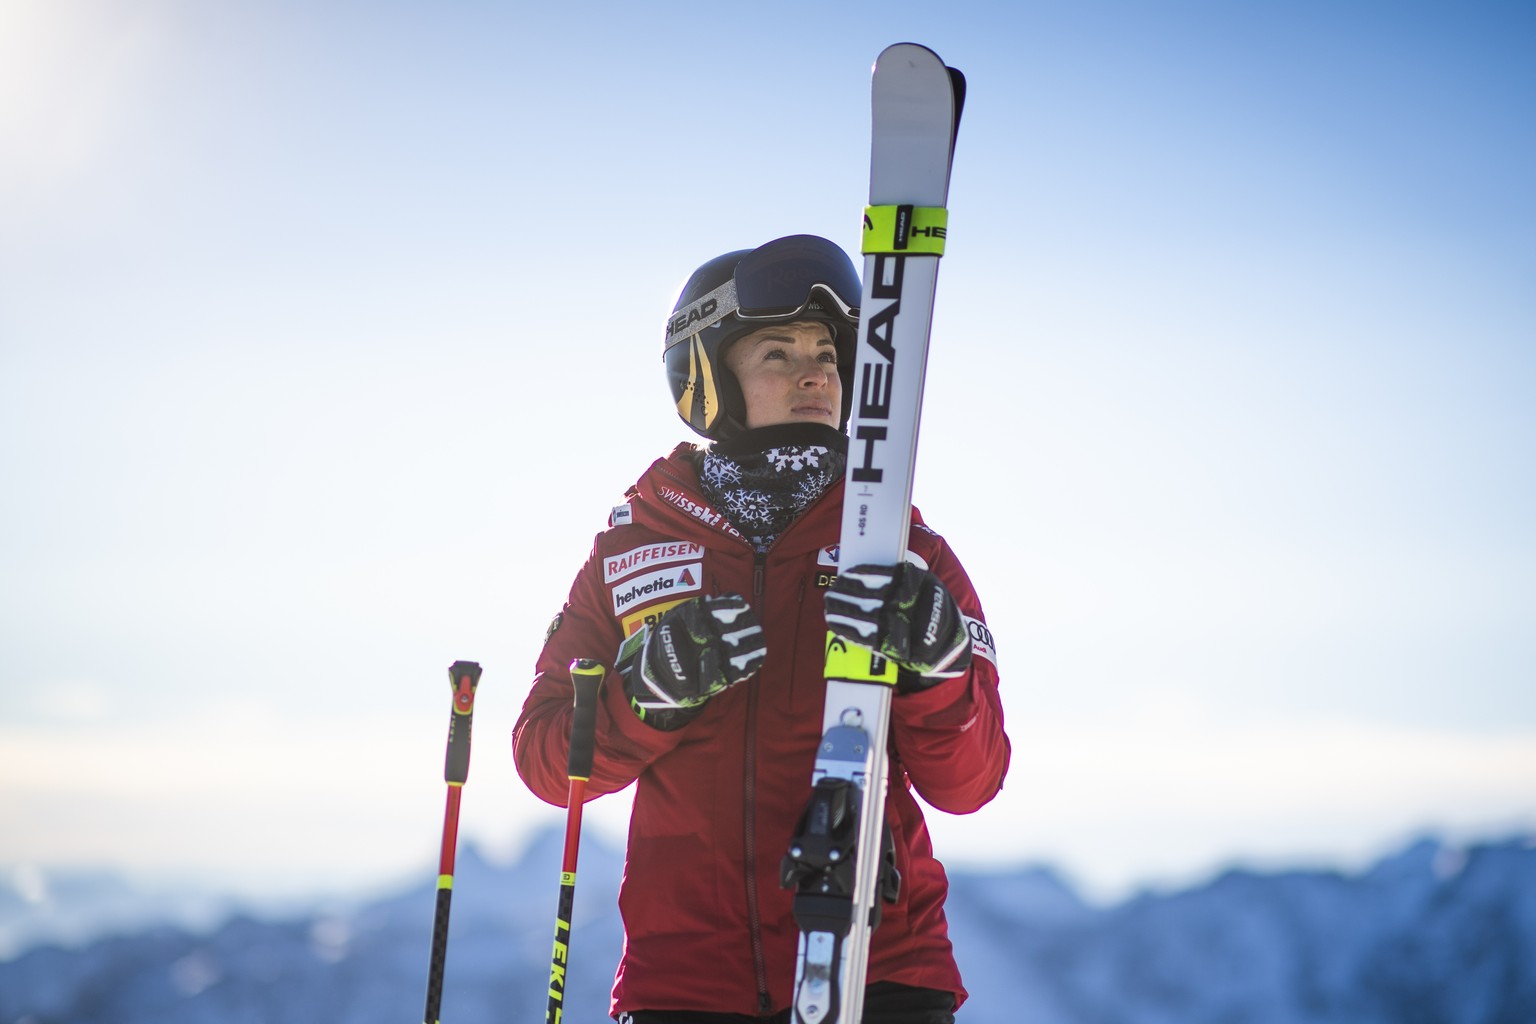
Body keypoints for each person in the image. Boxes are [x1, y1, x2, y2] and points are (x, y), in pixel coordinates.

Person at [513, 234, 1009, 1023]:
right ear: (707, 377)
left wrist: (937, 670)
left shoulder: (900, 549)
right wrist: (643, 696)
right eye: (777, 352)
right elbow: (543, 759)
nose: (814, 372)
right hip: (685, 986)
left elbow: (972, 780)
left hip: (877, 971)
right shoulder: (635, 547)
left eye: (828, 353)